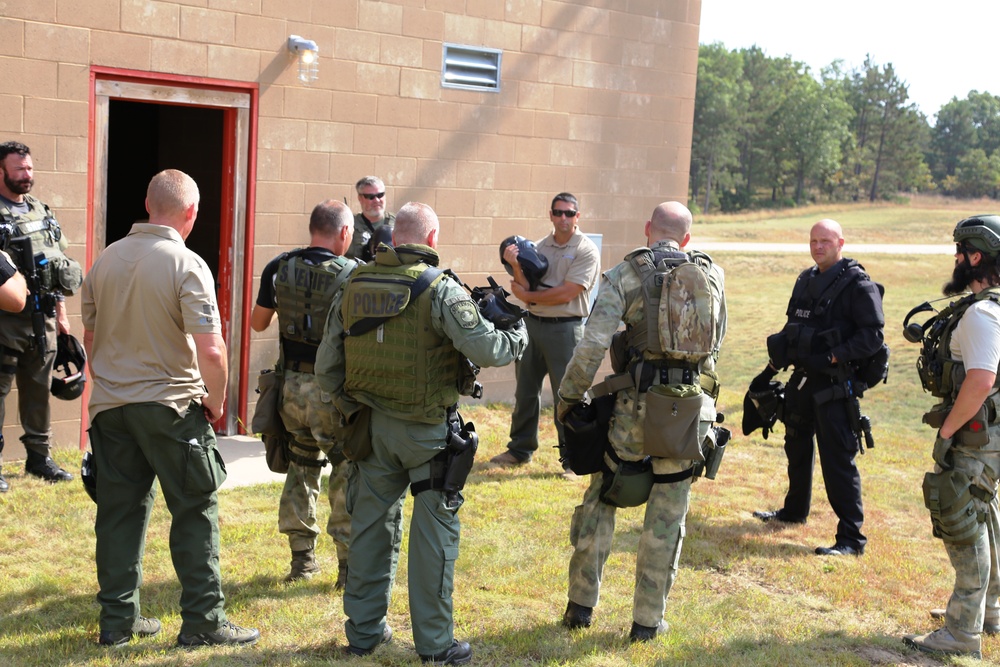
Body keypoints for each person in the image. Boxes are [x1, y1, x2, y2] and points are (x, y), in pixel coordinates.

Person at [315, 202, 527, 664]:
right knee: (434, 537)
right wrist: (518, 334)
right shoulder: (439, 288)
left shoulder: (353, 282)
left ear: (394, 239)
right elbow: (488, 349)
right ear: (432, 240)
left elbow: (326, 368)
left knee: (370, 530)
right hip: (427, 434)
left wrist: (352, 409)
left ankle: (364, 633)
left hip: (370, 430)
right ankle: (434, 644)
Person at [81, 169, 259, 648]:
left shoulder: (104, 261)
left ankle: (117, 624)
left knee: (118, 513)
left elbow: (91, 340)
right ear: (192, 213)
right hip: (172, 406)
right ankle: (203, 622)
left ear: (146, 202)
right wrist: (216, 402)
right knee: (195, 508)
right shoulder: (187, 264)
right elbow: (213, 350)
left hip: (112, 408)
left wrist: (114, 387)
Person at [554, 201, 726, 642]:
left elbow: (591, 347)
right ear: (686, 238)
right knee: (667, 517)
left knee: (603, 501)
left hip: (631, 414)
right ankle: (647, 624)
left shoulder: (625, 275)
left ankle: (580, 607)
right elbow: (715, 348)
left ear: (648, 228)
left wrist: (569, 401)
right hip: (687, 414)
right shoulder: (712, 276)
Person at [752, 219, 885, 556]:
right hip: (803, 379)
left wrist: (834, 357)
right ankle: (794, 511)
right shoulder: (805, 279)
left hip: (834, 385)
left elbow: (872, 337)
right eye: (813, 241)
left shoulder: (858, 284)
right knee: (795, 445)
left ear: (841, 242)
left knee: (837, 460)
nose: (818, 247)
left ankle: (851, 539)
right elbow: (794, 325)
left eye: (825, 241)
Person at [901, 215, 1000, 659]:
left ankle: (962, 632)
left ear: (976, 257)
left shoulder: (982, 314)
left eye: (961, 251)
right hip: (992, 436)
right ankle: (988, 612)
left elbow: (980, 380)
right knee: (987, 515)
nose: (955, 259)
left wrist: (947, 430)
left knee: (962, 519)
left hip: (977, 438)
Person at [249, 199, 357, 586]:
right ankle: (347, 569)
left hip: (290, 389)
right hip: (331, 391)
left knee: (300, 466)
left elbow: (257, 322)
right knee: (345, 470)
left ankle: (302, 562)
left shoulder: (278, 267)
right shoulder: (352, 273)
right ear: (344, 232)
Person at [489, 192, 600, 472]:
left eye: (569, 213)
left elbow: (568, 292)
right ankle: (520, 450)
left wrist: (530, 296)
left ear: (578, 217)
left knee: (568, 396)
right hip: (532, 326)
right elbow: (524, 284)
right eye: (558, 212)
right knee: (525, 391)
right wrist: (515, 265)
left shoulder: (586, 249)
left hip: (565, 329)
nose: (564, 218)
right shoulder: (539, 246)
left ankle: (573, 460)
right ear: (550, 215)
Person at [0, 140, 80, 491]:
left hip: (43, 318)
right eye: (19, 169)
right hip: (5, 322)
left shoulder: (41, 211)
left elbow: (57, 265)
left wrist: (62, 314)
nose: (26, 175)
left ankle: (39, 459)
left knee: (38, 390)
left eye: (29, 168)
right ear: (1, 171)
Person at [346, 176, 395, 261]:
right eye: (370, 197)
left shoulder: (398, 223)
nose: (376, 200)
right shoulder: (349, 225)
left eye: (380, 195)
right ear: (360, 198)